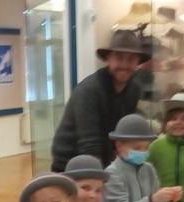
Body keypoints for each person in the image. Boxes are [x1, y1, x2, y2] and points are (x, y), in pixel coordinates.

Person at [51, 30, 150, 172]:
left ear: (138, 62)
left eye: (131, 59)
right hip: (69, 163)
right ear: (108, 58)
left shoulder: (134, 89)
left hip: (104, 160)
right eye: (119, 57)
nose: (124, 64)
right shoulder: (89, 90)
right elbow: (90, 146)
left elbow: (122, 134)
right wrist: (102, 179)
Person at [103, 114, 182, 202]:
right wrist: (152, 199)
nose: (142, 152)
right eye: (137, 148)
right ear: (119, 145)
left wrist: (169, 199)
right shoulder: (112, 173)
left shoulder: (149, 169)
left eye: (146, 147)